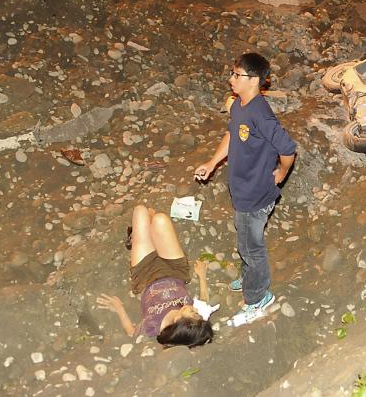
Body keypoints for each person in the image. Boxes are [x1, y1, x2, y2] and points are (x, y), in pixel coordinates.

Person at [194, 53, 297, 326]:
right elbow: (231, 134)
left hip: (256, 193)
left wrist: (282, 172)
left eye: (236, 75)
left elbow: (287, 149)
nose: (231, 79)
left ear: (254, 80)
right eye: (232, 73)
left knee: (253, 248)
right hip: (242, 189)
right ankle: (251, 275)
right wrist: (213, 162)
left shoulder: (262, 115)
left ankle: (258, 298)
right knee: (245, 239)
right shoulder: (240, 105)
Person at [95, 205, 215, 347]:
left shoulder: (153, 325)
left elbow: (132, 333)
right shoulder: (193, 319)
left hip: (145, 275)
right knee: (160, 219)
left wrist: (119, 308)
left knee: (140, 211)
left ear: (178, 321)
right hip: (175, 270)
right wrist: (202, 275)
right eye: (198, 314)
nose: (196, 310)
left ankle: (139, 236)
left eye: (194, 314)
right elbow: (204, 300)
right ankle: (145, 233)